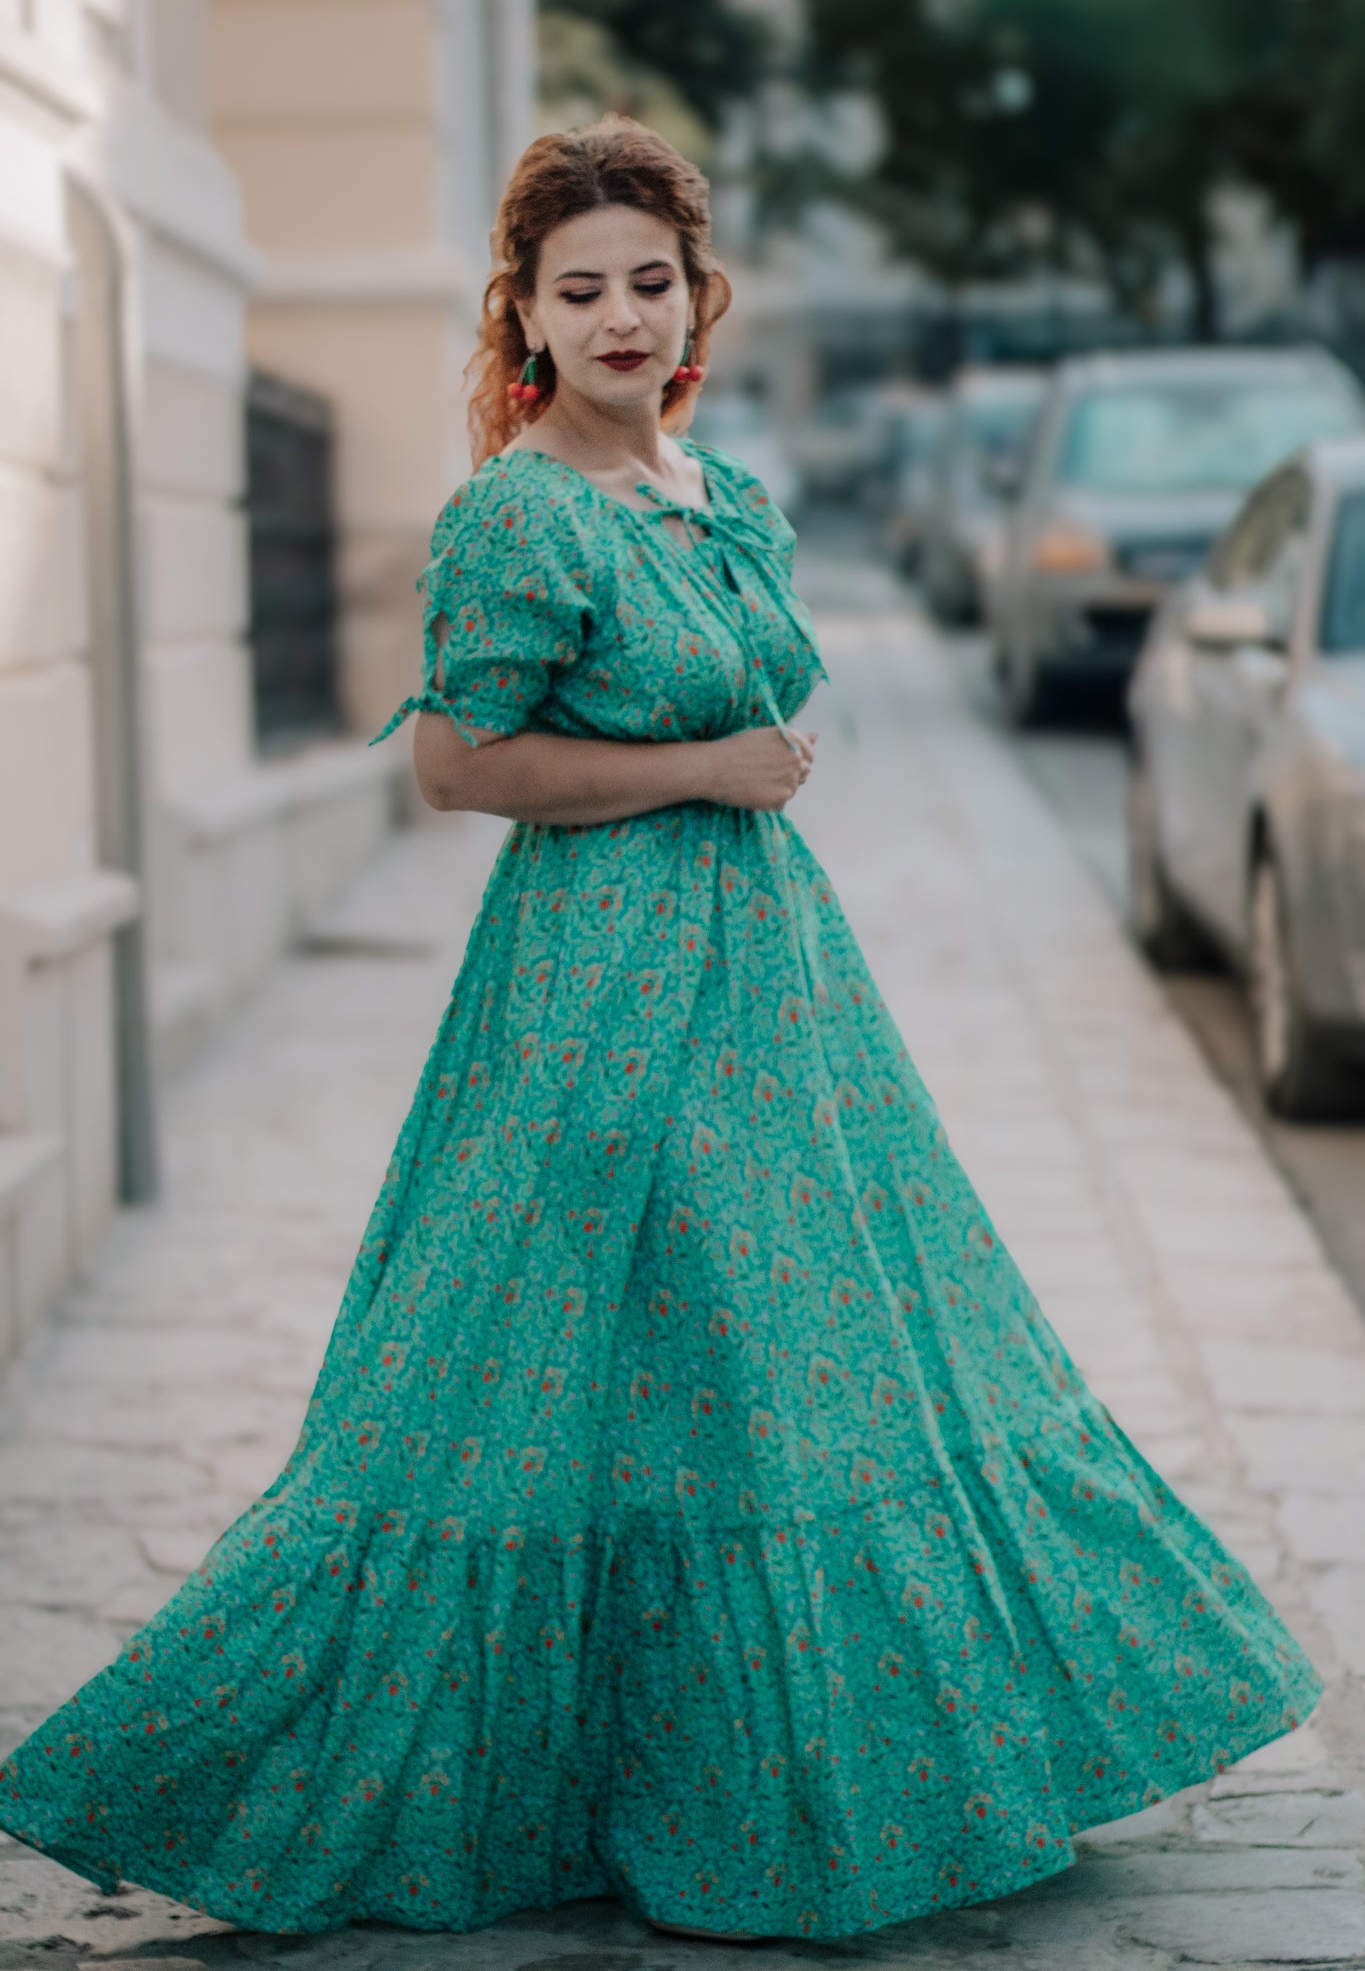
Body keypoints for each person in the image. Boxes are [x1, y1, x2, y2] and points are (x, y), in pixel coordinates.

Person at [0, 115, 1320, 1944]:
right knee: (535, 1373)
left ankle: (777, 1775)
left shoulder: (718, 490)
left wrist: (737, 780)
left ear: (696, 298)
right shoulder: (516, 513)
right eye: (578, 289)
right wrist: (704, 764)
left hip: (773, 987)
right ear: (525, 317)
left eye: (647, 283)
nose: (618, 316)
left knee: (786, 1366)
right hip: (593, 999)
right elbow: (461, 762)